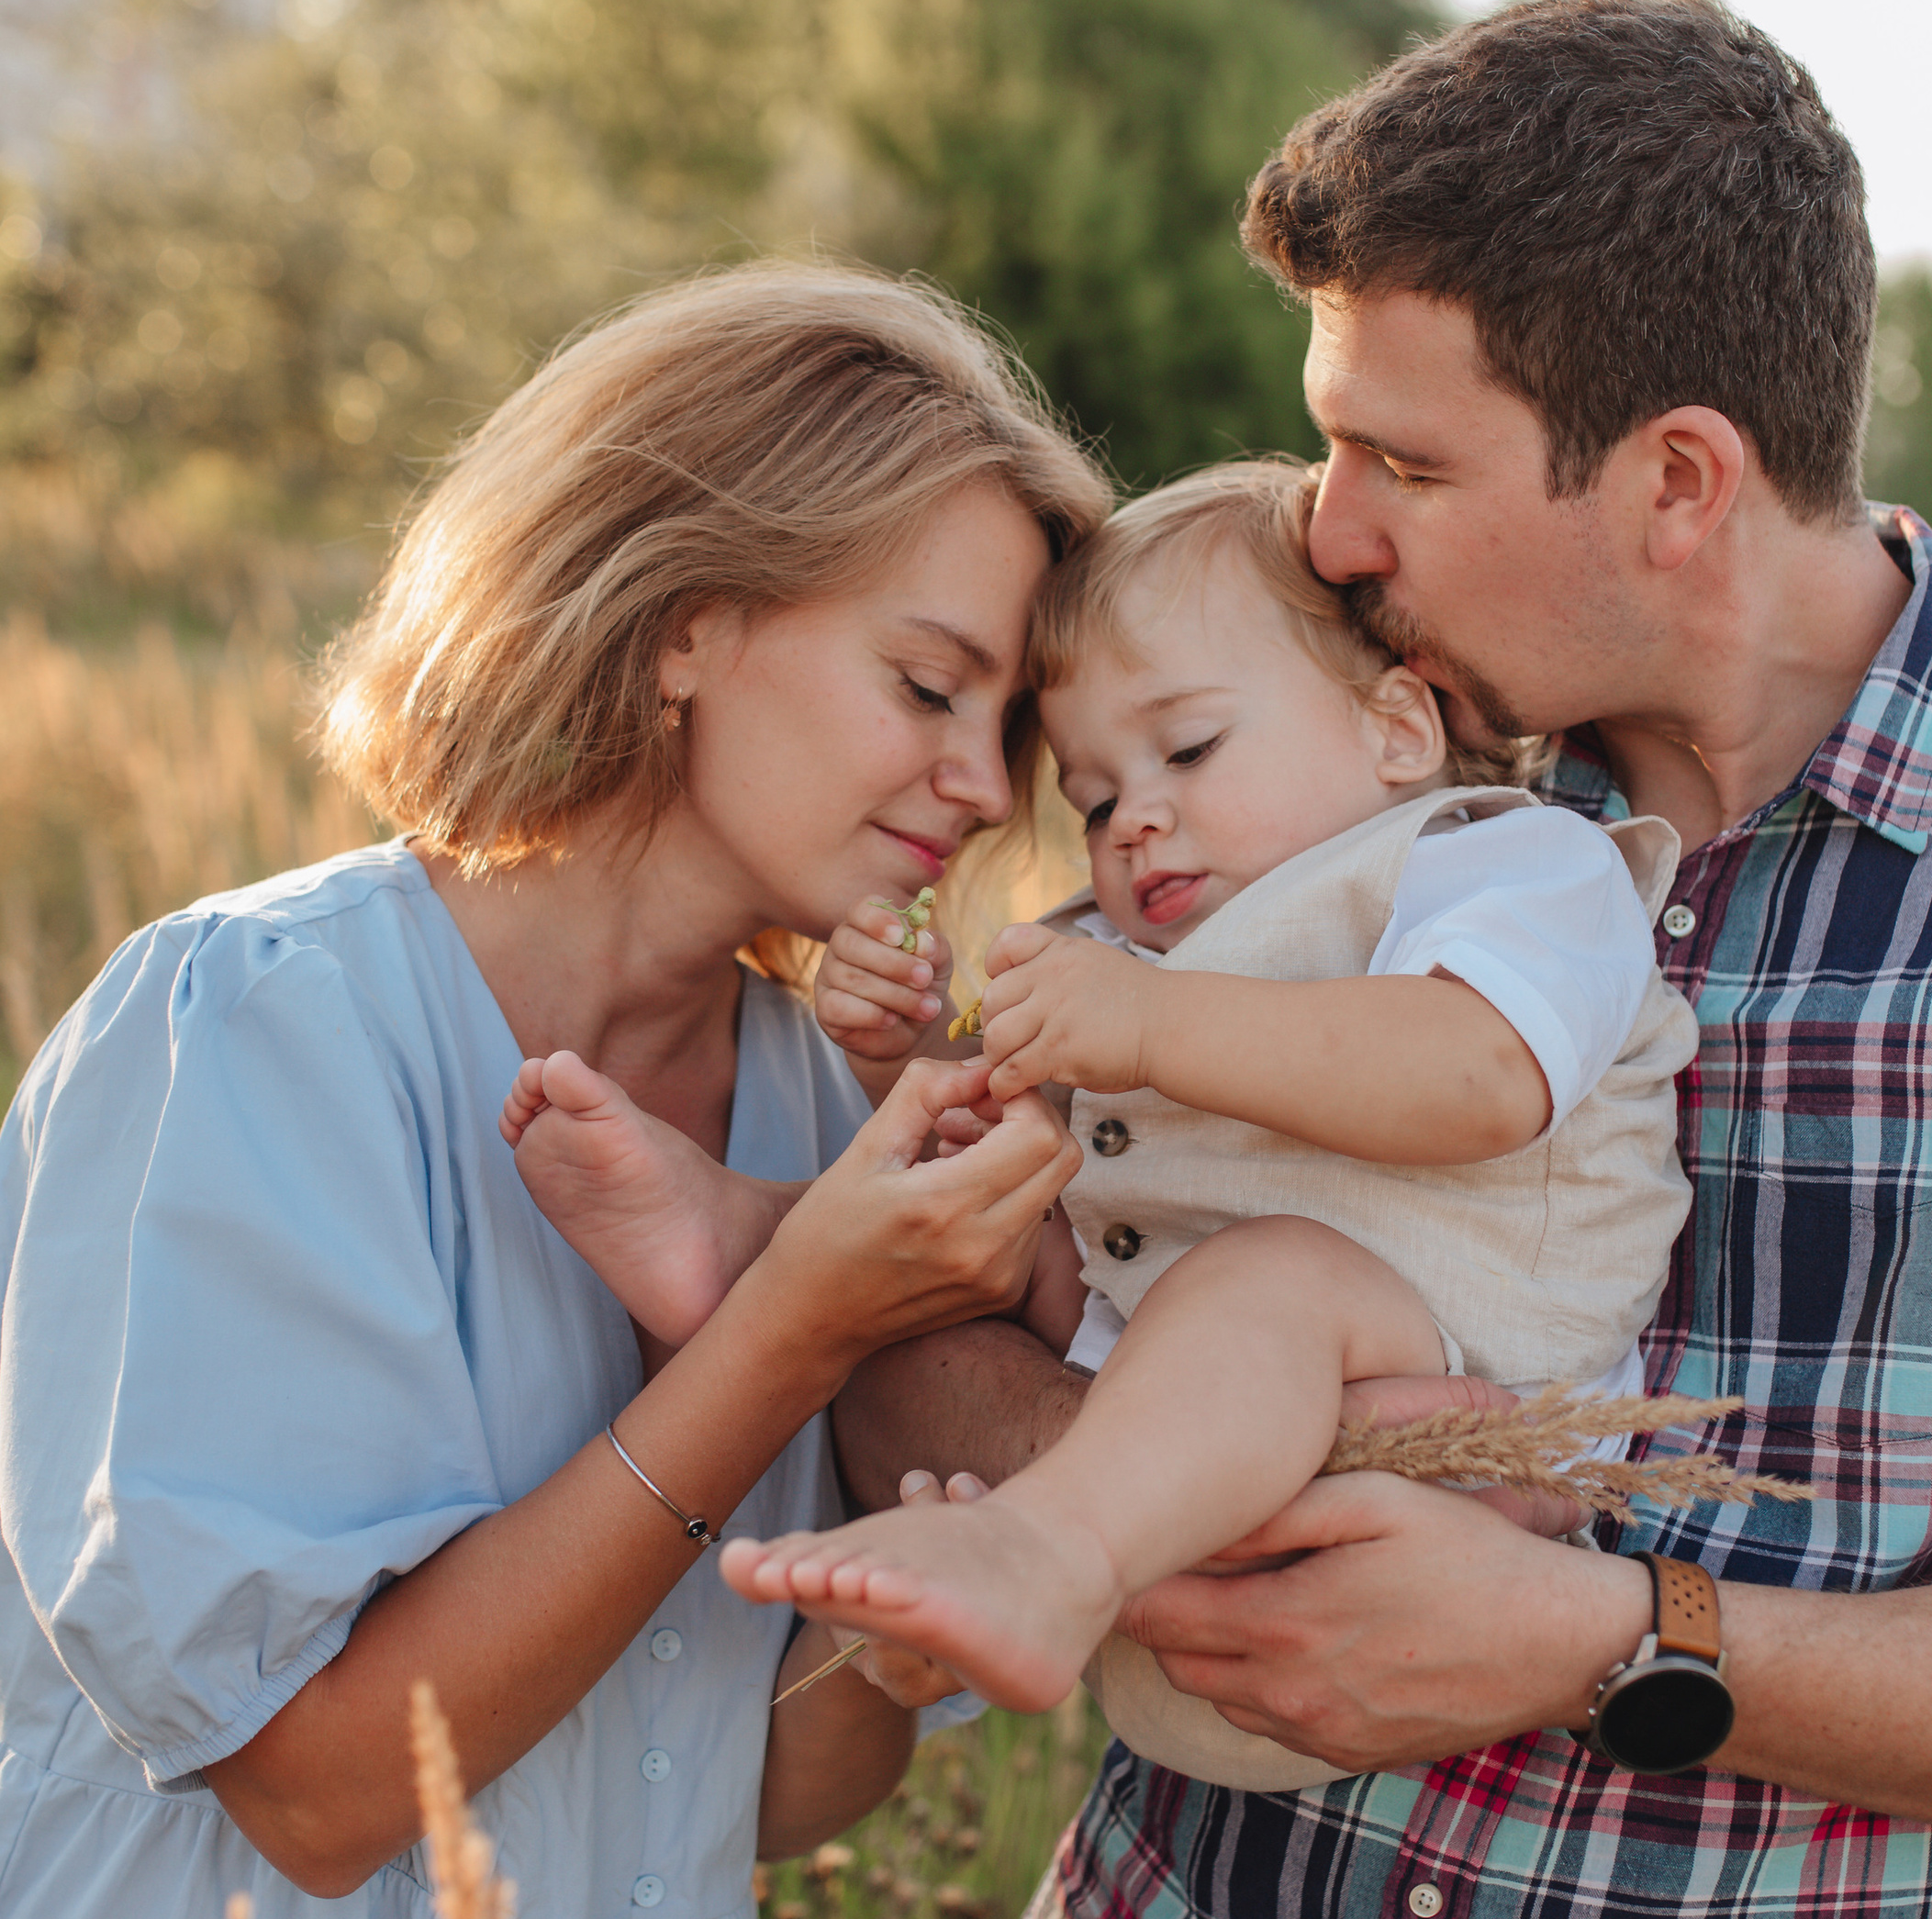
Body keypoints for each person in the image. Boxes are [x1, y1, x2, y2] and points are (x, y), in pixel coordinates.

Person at [823, 0, 1932, 1919]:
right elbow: (922, 1331)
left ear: (1675, 483)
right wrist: (1163, 1468)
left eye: (1402, 463)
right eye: (1325, 448)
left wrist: (1606, 1645)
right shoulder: (1288, 761)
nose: (1328, 531)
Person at [0, 262, 1100, 1919]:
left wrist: (893, 1640)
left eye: (1011, 721)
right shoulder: (257, 1027)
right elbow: (323, 1788)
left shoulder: (824, 1110)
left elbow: (758, 1796)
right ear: (684, 622)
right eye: (928, 685)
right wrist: (784, 1323)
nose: (978, 779)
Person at [500, 459, 1702, 1788]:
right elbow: (1003, 1133)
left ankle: (1043, 1551)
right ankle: (748, 1242)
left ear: (1396, 729)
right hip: (1180, 1448)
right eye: (1093, 799)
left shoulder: (1504, 867)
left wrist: (1146, 1026)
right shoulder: (1128, 949)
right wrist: (906, 1047)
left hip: (1453, 1415)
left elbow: (1481, 1078)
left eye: (1188, 750)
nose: (1135, 819)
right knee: (1001, 1211)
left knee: (1272, 1280)